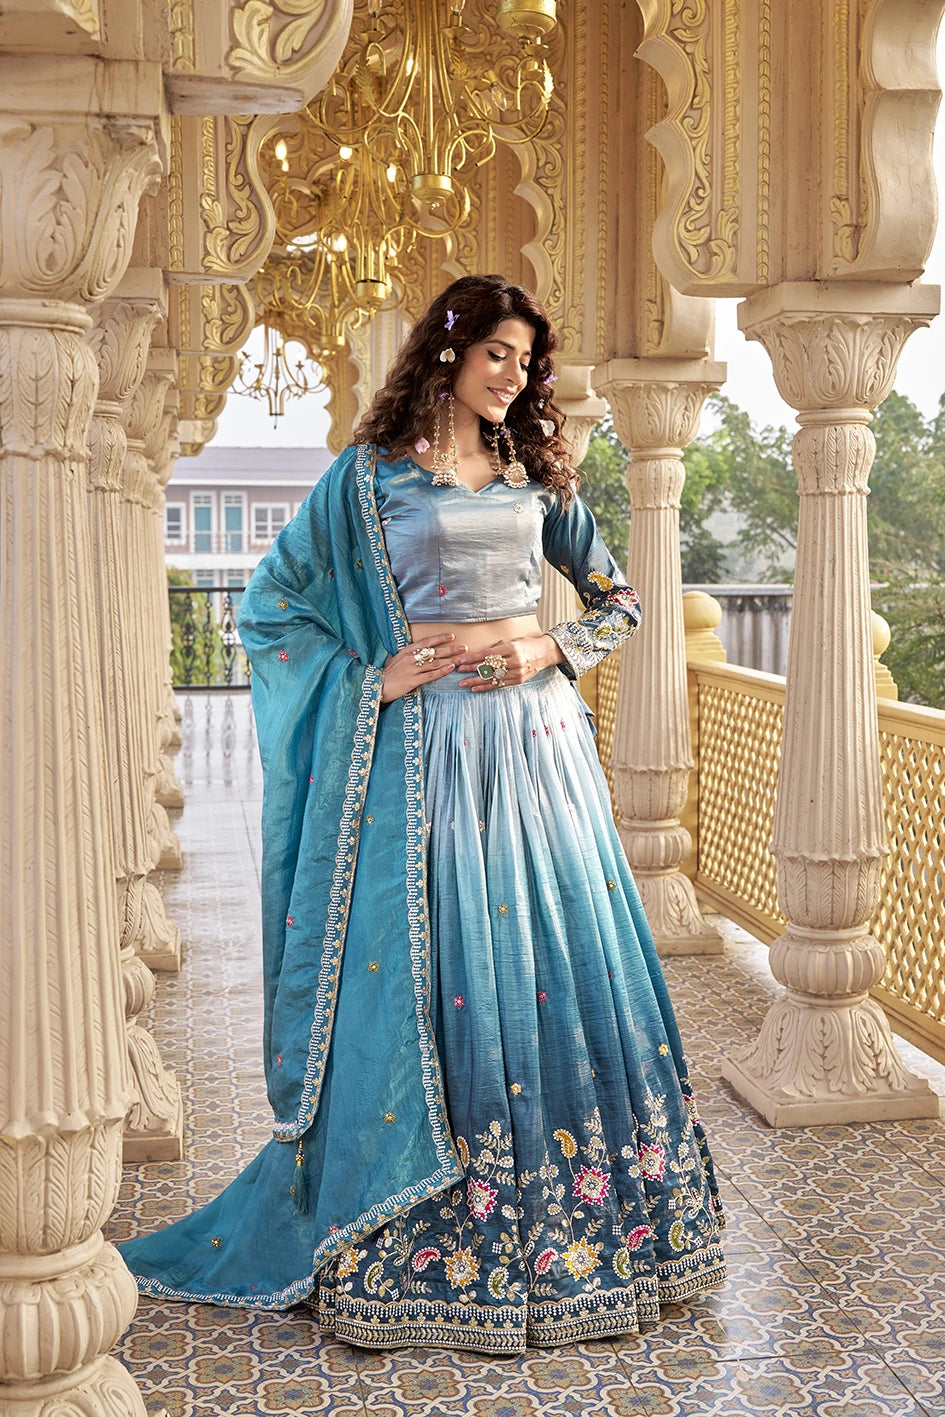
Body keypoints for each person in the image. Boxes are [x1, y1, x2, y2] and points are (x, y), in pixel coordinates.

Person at [121, 274, 726, 1352]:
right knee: (444, 965)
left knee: (554, 963)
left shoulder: (538, 473)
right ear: (449, 350)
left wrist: (546, 646)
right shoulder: (369, 479)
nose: (514, 378)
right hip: (427, 755)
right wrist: (376, 677)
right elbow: (271, 606)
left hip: (537, 753)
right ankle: (421, 1223)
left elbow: (620, 600)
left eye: (526, 362)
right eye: (498, 353)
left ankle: (585, 1231)